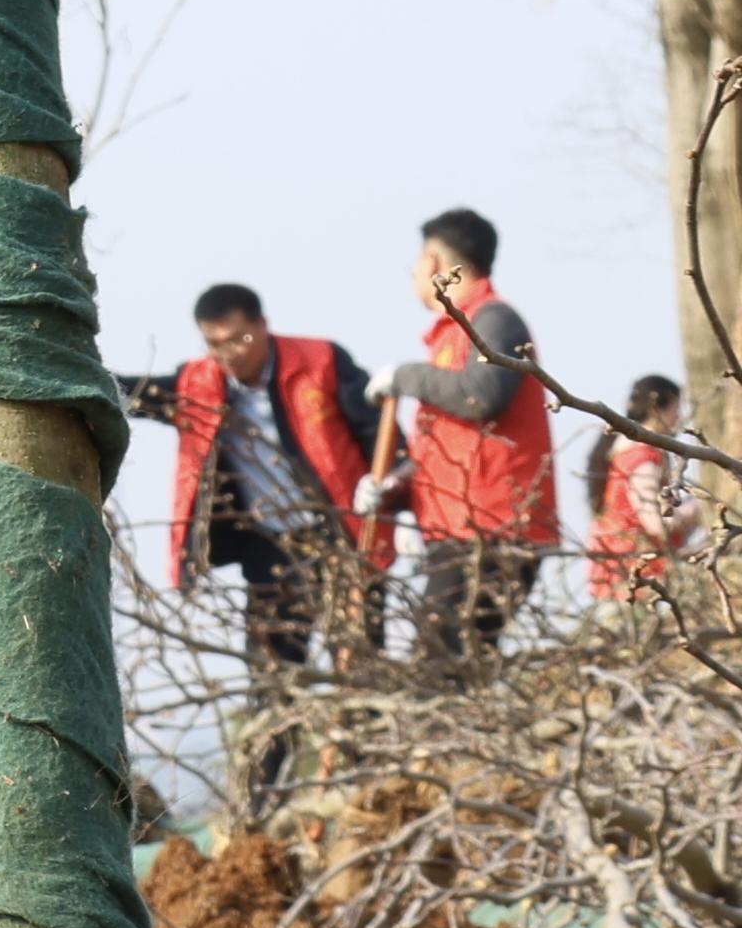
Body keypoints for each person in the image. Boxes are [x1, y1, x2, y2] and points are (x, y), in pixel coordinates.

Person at [121, 281, 383, 689]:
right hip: (270, 548)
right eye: (215, 343)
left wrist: (393, 492)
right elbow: (132, 393)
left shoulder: (321, 361)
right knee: (272, 678)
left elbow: (376, 431)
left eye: (239, 339)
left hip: (340, 537)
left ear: (263, 325)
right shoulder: (198, 385)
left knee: (362, 672)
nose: (229, 354)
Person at [365, 207, 561, 672]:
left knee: (443, 666)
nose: (413, 272)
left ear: (434, 263)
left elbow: (481, 396)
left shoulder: (495, 321)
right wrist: (395, 489)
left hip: (492, 529)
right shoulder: (450, 337)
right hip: (459, 528)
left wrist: (407, 376)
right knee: (449, 664)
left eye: (416, 261)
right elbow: (455, 448)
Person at [591, 373, 698, 609]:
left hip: (618, 576)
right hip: (636, 579)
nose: (679, 417)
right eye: (675, 408)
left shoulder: (625, 453)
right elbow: (656, 523)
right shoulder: (641, 458)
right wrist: (696, 513)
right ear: (656, 409)